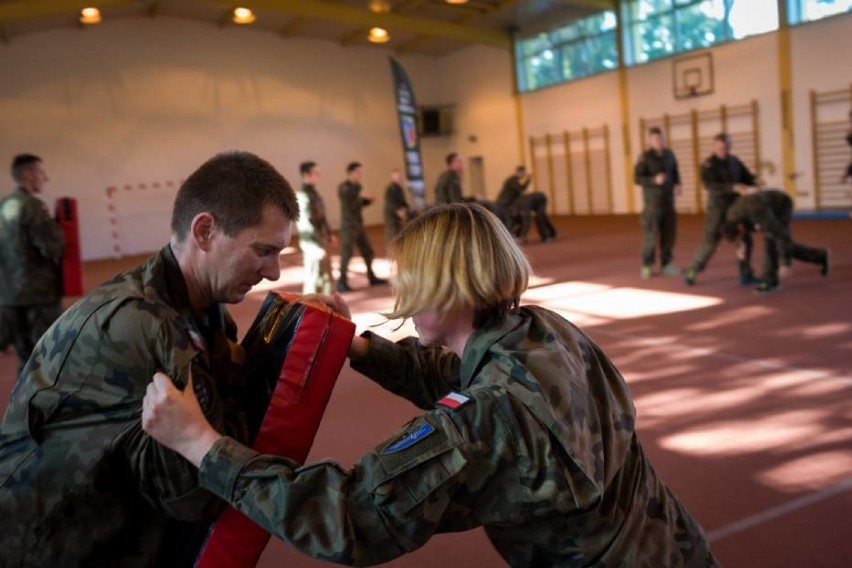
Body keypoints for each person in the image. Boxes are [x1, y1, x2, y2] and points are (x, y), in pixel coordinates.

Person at [142, 203, 716, 567]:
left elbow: (348, 519)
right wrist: (357, 347)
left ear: (450, 287)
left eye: (413, 278)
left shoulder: (481, 424)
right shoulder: (544, 331)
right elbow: (459, 373)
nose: (403, 292)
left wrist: (198, 444)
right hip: (676, 548)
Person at [0, 151, 300, 566]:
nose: (274, 272)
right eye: (263, 251)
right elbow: (197, 495)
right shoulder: (145, 324)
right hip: (49, 545)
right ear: (205, 230)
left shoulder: (201, 304)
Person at [0, 154, 65, 376]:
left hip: (9, 296)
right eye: (40, 172)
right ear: (27, 174)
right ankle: (51, 406)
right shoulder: (32, 206)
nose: (44, 178)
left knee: (24, 357)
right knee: (48, 353)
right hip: (38, 295)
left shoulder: (3, 206)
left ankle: (24, 404)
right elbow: (51, 246)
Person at [685, 133, 761, 286]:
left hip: (736, 210)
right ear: (714, 147)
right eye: (720, 148)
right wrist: (732, 187)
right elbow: (710, 186)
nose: (723, 150)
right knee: (710, 242)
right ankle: (693, 270)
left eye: (726, 147)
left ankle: (746, 274)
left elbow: (746, 177)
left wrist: (754, 180)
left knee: (745, 240)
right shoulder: (708, 165)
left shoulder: (735, 162)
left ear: (730, 146)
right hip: (717, 211)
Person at [723, 188, 829, 293]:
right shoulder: (732, 216)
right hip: (763, 207)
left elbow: (781, 235)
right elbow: (741, 233)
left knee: (772, 242)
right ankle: (820, 256)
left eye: (740, 234)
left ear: (739, 227)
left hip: (781, 206)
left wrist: (785, 263)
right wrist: (741, 245)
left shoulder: (757, 212)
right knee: (776, 243)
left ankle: (770, 282)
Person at [633, 127, 682, 279]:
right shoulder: (644, 157)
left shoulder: (669, 154)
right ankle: (647, 265)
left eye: (660, 138)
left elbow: (675, 171)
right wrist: (653, 180)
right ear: (650, 140)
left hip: (669, 202)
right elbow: (637, 178)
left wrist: (678, 184)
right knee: (651, 236)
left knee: (669, 236)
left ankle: (666, 264)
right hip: (653, 204)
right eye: (655, 139)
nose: (658, 141)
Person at [337, 161, 387, 292]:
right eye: (358, 172)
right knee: (346, 254)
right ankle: (342, 282)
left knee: (368, 251)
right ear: (350, 173)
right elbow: (350, 202)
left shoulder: (357, 186)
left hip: (358, 225)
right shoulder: (344, 188)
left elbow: (359, 203)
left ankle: (371, 277)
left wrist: (368, 200)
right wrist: (361, 195)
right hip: (349, 226)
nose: (360, 174)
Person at [296, 161, 335, 295]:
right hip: (313, 244)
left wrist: (329, 234)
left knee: (326, 278)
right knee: (313, 280)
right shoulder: (303, 196)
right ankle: (309, 312)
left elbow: (322, 217)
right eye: (315, 173)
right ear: (306, 174)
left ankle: (328, 311)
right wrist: (314, 247)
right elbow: (304, 224)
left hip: (321, 240)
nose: (318, 176)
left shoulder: (314, 193)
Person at [497, 166, 556, 244]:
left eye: (523, 173)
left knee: (539, 217)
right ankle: (553, 233)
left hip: (541, 200)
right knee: (516, 220)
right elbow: (521, 188)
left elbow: (527, 221)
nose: (522, 175)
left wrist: (523, 237)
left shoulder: (523, 206)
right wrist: (528, 179)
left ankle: (546, 237)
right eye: (522, 173)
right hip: (504, 203)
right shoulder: (512, 181)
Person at [384, 168, 409, 243]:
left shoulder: (399, 188)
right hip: (392, 215)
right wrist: (398, 211)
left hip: (398, 215)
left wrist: (406, 207)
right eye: (398, 177)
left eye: (401, 176)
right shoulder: (391, 188)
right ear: (393, 178)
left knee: (399, 233)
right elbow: (390, 202)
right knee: (393, 235)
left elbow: (402, 201)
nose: (401, 178)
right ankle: (391, 252)